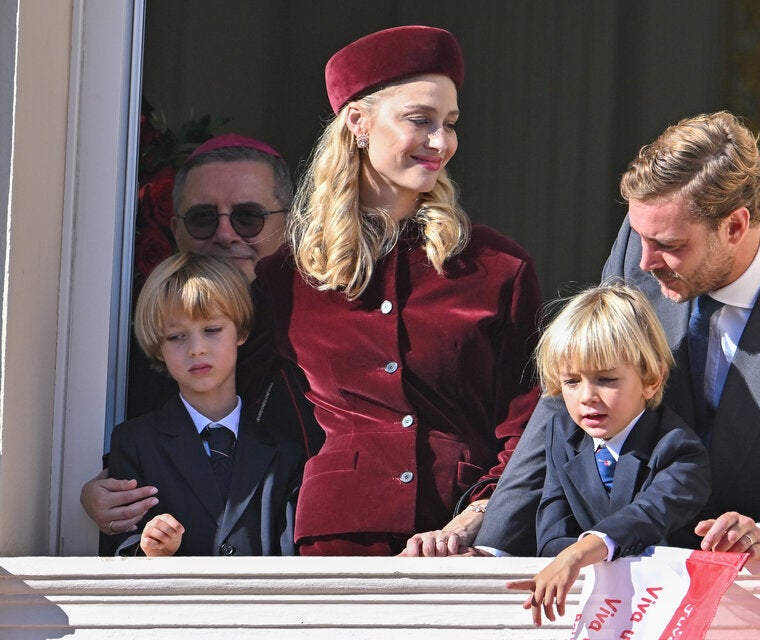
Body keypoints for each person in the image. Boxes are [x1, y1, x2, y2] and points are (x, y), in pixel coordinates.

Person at [459, 111, 760, 560]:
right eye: (639, 236)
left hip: (749, 596)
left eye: (671, 246)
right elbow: (563, 401)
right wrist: (492, 551)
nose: (644, 262)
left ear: (735, 226)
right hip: (616, 568)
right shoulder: (646, 237)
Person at [247, 25, 542, 556]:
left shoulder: (499, 267)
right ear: (357, 122)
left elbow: (531, 420)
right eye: (420, 121)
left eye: (449, 124)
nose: (440, 142)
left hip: (465, 539)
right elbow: (226, 400)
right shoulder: (287, 279)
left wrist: (482, 517)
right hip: (338, 542)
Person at [82, 134, 322, 541]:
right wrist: (98, 494)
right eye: (203, 218)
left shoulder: (325, 336)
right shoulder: (143, 349)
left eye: (248, 217)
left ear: (291, 223)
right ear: (177, 229)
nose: (226, 234)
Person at [503, 282, 710, 626]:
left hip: (669, 615)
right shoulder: (563, 436)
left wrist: (579, 554)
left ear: (652, 379)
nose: (587, 396)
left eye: (606, 379)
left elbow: (647, 516)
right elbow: (553, 530)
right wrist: (566, 556)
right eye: (571, 381)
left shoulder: (678, 450)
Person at [102, 252, 304, 556]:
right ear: (158, 348)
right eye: (176, 336)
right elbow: (118, 546)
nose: (196, 349)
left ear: (241, 331)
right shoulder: (134, 443)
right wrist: (151, 550)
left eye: (212, 330)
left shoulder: (285, 452)